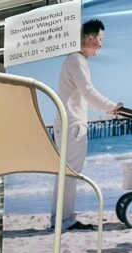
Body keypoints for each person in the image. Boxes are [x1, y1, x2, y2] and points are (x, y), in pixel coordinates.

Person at [50, 18, 122, 231]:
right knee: (70, 173)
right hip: (73, 124)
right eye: (100, 38)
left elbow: (85, 94)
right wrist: (112, 106)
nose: (102, 43)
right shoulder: (77, 59)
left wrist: (108, 108)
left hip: (67, 123)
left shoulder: (73, 60)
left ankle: (60, 219)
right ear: (90, 38)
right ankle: (64, 220)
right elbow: (88, 92)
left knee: (65, 173)